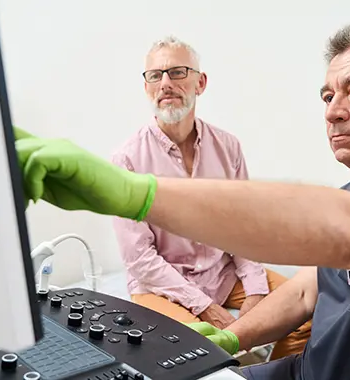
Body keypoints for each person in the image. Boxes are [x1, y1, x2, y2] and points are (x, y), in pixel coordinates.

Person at [14, 16, 350, 380]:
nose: (334, 112)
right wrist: (231, 338)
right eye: (327, 96)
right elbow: (306, 289)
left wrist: (136, 195)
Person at [110, 36, 311, 358]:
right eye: (155, 75)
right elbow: (139, 260)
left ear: (200, 83)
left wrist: (256, 288)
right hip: (162, 286)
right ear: (146, 86)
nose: (165, 84)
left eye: (177, 72)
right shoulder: (127, 161)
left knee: (306, 314)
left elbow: (244, 224)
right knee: (198, 349)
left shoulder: (227, 146)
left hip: (224, 275)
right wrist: (204, 307)